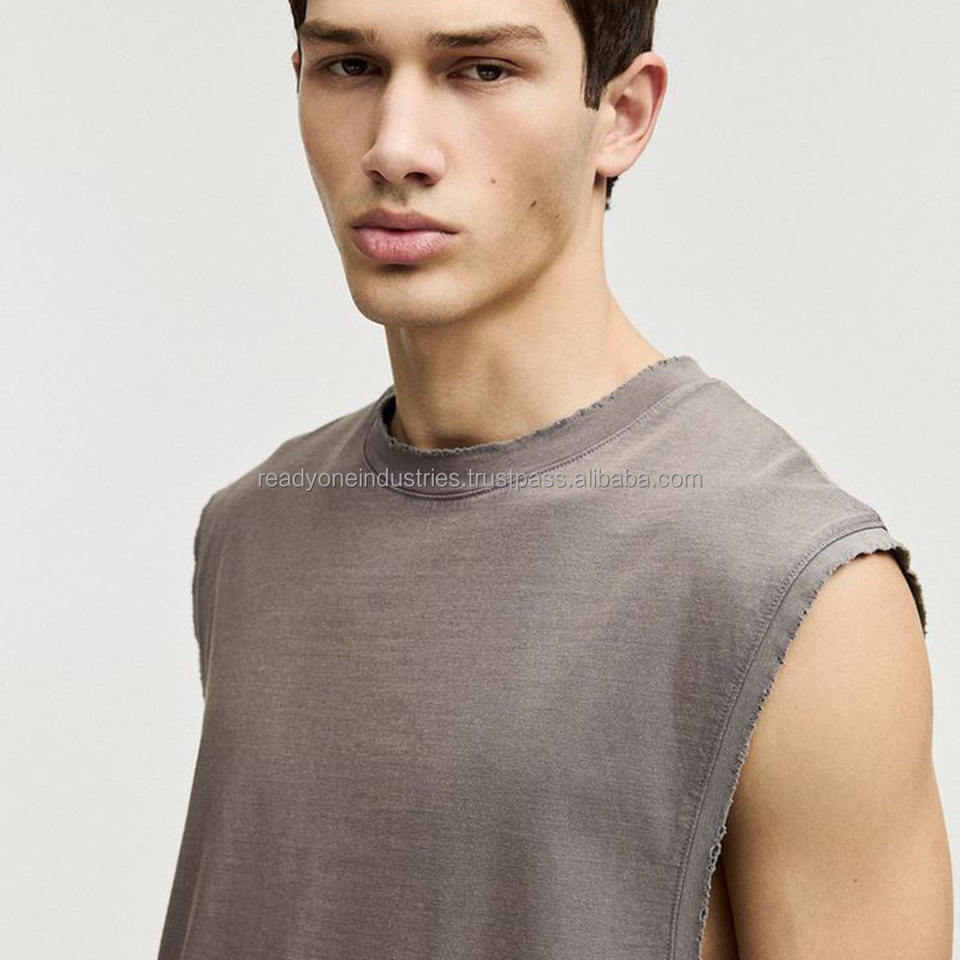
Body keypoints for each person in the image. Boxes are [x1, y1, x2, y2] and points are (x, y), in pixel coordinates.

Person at [158, 1, 952, 957]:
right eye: (350, 68)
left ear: (623, 114)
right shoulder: (252, 532)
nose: (395, 147)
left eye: (482, 70)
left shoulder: (793, 587)